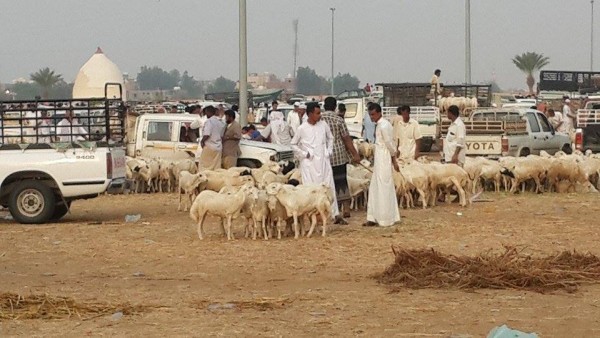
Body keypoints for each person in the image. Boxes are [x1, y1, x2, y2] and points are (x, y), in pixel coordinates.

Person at [290, 102, 339, 219]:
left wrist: (329, 151)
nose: (320, 115)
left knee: (327, 186)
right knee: (311, 189)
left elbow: (331, 138)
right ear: (310, 114)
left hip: (323, 162)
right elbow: (293, 144)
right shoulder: (302, 128)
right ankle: (312, 215)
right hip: (309, 164)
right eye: (317, 113)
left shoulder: (323, 125)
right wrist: (304, 154)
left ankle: (332, 213)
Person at [320, 97, 361, 223]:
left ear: (324, 106)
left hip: (324, 156)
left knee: (327, 183)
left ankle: (329, 209)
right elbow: (346, 139)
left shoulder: (319, 119)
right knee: (341, 181)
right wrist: (355, 154)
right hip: (338, 155)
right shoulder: (338, 120)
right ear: (335, 106)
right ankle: (346, 208)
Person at [363, 103, 400, 227]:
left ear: (379, 113)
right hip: (379, 156)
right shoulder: (379, 125)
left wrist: (394, 159)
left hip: (384, 156)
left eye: (373, 114)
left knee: (384, 185)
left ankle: (386, 218)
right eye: (370, 115)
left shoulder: (384, 126)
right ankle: (373, 217)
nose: (372, 117)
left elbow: (390, 144)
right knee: (376, 186)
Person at [197, 105, 225, 170]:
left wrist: (202, 141)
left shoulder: (209, 121)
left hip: (209, 147)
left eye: (206, 112)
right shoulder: (220, 122)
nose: (206, 114)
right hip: (218, 147)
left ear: (209, 112)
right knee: (216, 166)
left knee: (204, 166)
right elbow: (222, 135)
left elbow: (207, 134)